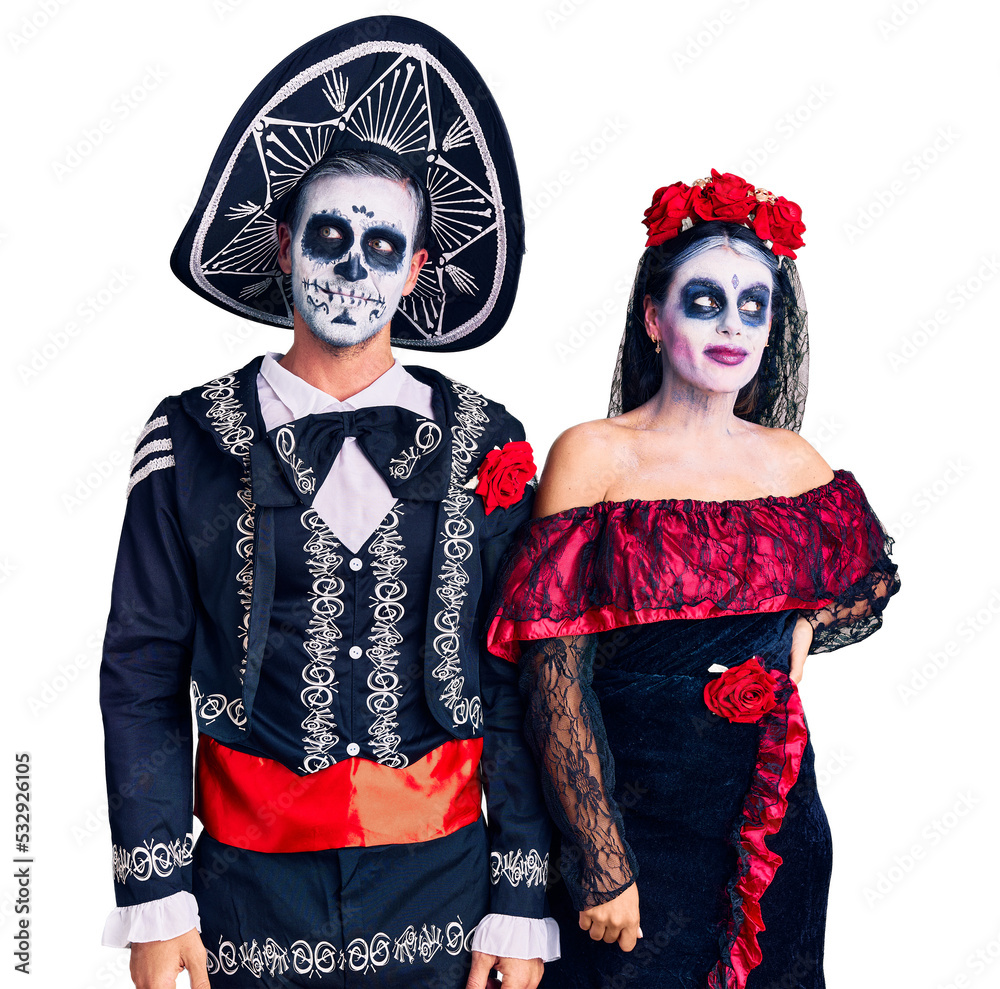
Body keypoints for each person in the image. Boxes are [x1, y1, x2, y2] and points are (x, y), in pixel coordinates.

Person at [99, 18, 558, 989]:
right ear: (284, 243)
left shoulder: (492, 438)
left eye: (382, 243)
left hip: (444, 890)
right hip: (242, 893)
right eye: (330, 235)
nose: (354, 265)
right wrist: (155, 890)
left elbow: (520, 675)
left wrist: (521, 896)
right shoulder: (186, 435)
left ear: (417, 268)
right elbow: (141, 667)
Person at [487, 170, 900, 988]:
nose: (733, 324)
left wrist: (777, 669)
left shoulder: (794, 464)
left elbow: (843, 594)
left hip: (772, 826)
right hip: (631, 825)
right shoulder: (595, 454)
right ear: (653, 316)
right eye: (705, 299)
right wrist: (601, 857)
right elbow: (551, 670)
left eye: (755, 304)